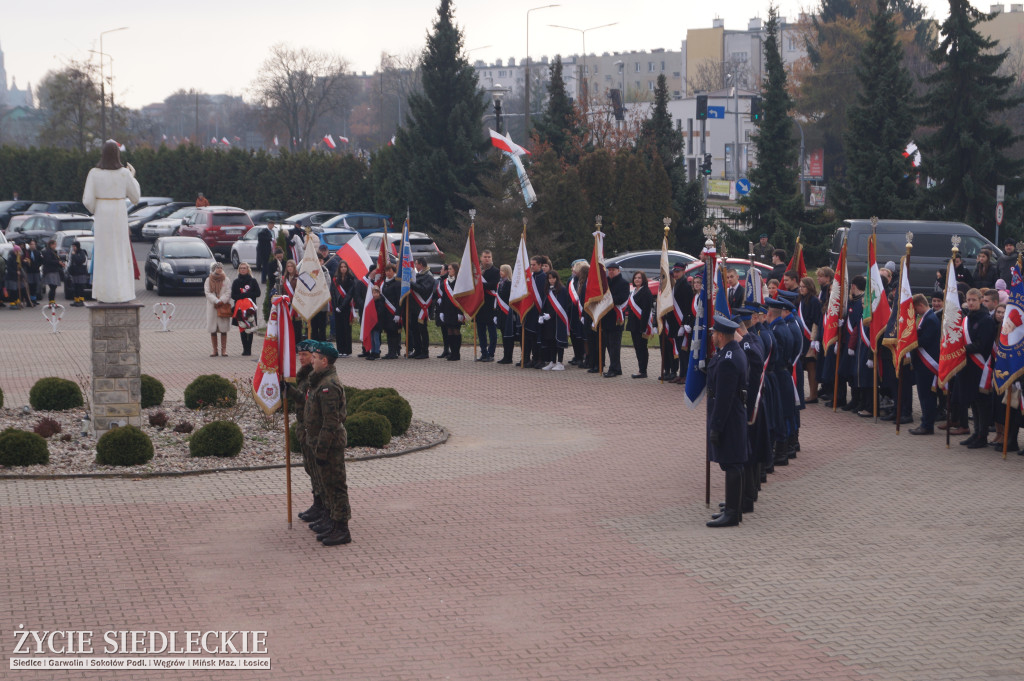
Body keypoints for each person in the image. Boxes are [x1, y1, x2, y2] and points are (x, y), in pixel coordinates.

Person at [302, 341, 351, 546]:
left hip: (329, 444)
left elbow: (330, 423)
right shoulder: (320, 381)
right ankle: (331, 521)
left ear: (325, 361)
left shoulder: (328, 386)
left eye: (315, 358)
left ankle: (341, 529)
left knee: (335, 485)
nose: (311, 361)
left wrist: (321, 451)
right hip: (320, 442)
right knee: (326, 485)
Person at [82, 141, 141, 303]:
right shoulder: (124, 173)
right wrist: (132, 177)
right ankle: (122, 293)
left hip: (102, 214)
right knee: (120, 252)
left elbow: (87, 201)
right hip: (119, 212)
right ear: (117, 155)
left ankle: (104, 293)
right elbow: (136, 197)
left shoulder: (94, 173)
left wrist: (98, 208)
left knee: (103, 253)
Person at [705, 315, 749, 528]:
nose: (712, 336)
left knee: (732, 462)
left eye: (714, 332)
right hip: (733, 416)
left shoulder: (728, 360)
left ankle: (732, 513)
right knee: (734, 462)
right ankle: (734, 506)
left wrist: (716, 426)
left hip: (729, 418)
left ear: (721, 335)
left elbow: (724, 397)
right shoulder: (730, 352)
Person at [288, 340, 323, 524]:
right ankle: (318, 503)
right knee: (310, 467)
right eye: (299, 354)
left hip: (312, 429)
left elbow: (306, 399)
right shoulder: (303, 375)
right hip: (304, 427)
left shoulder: (314, 376)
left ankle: (322, 506)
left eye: (305, 355)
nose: (301, 358)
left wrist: (290, 391)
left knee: (317, 469)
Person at [958, 288, 996, 448]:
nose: (971, 302)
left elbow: (983, 344)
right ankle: (976, 433)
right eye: (969, 300)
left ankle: (982, 436)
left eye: (974, 300)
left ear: (980, 300)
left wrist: (961, 349)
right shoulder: (967, 318)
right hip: (969, 365)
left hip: (981, 365)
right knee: (973, 401)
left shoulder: (986, 319)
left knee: (981, 402)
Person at [601, 262, 630, 377]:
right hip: (606, 318)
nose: (611, 272)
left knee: (614, 346)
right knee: (608, 344)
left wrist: (608, 300)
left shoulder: (623, 283)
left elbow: (622, 298)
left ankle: (614, 368)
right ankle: (616, 367)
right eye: (609, 270)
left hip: (616, 319)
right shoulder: (605, 283)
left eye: (613, 270)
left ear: (618, 271)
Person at [797, 276, 823, 402]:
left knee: (811, 366)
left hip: (810, 337)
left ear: (809, 287)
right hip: (803, 336)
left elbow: (817, 320)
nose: (801, 289)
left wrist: (814, 339)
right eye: (800, 287)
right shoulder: (802, 300)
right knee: (806, 365)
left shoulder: (814, 301)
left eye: (803, 287)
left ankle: (813, 394)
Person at [540, 270, 571, 370]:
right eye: (549, 278)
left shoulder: (561, 290)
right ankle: (552, 361)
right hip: (549, 320)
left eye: (553, 278)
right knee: (551, 340)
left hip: (558, 319)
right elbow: (544, 304)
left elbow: (561, 306)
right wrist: (541, 315)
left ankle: (560, 362)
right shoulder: (547, 290)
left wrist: (551, 315)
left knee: (559, 340)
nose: (551, 280)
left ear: (557, 278)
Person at [627, 271, 654, 378]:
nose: (637, 280)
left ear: (643, 279)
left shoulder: (646, 292)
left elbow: (646, 311)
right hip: (634, 324)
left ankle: (643, 371)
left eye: (639, 278)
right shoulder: (634, 291)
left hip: (641, 325)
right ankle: (640, 369)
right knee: (637, 348)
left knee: (642, 347)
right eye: (635, 278)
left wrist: (643, 327)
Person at [230, 262, 261, 356]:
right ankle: (245, 349)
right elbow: (233, 295)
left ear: (248, 269)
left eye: (244, 268)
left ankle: (249, 349)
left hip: (250, 309)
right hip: (240, 309)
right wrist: (241, 296)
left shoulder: (253, 281)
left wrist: (247, 295)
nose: (243, 270)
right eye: (241, 268)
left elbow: (258, 293)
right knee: (242, 328)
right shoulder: (236, 282)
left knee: (250, 328)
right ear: (239, 270)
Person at [204, 262, 232, 357]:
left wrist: (221, 300)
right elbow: (207, 292)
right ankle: (214, 350)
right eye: (217, 268)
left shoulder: (226, 279)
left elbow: (228, 292)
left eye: (221, 267)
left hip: (223, 306)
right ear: (213, 269)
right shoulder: (208, 280)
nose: (219, 269)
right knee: (213, 329)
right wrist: (215, 301)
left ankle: (224, 350)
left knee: (223, 329)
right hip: (212, 307)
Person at [375, 263, 402, 359]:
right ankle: (390, 351)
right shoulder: (383, 283)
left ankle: (394, 352)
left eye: (390, 271)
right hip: (385, 312)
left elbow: (400, 299)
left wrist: (398, 313)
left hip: (394, 312)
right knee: (388, 332)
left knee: (394, 332)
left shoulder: (397, 283)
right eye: (386, 271)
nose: (388, 273)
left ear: (394, 272)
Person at [409, 258, 434, 359]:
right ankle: (417, 349)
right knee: (414, 329)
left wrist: (411, 283)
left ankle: (425, 351)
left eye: (416, 264)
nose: (415, 266)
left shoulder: (428, 277)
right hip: (414, 307)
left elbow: (423, 290)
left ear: (421, 264)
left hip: (422, 308)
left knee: (422, 330)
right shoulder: (418, 275)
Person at [477, 249, 500, 361]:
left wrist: (481, 285)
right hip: (479, 305)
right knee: (481, 331)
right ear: (481, 258)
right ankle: (483, 352)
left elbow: (494, 285)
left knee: (492, 331)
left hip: (491, 304)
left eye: (489, 257)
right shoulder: (478, 271)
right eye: (485, 257)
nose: (487, 259)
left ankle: (491, 353)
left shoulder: (496, 271)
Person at [330, 260, 357, 357]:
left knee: (346, 329)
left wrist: (342, 307)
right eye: (341, 267)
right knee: (339, 329)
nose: (343, 268)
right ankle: (340, 349)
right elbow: (332, 293)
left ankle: (347, 350)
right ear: (339, 268)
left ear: (347, 268)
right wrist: (335, 306)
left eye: (345, 267)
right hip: (337, 308)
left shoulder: (350, 279)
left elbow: (349, 295)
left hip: (346, 308)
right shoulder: (335, 279)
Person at [439, 262, 465, 360]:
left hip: (456, 310)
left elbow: (461, 299)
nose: (449, 271)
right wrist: (441, 311)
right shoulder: (445, 282)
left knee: (456, 331)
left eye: (450, 269)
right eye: (448, 269)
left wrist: (460, 312)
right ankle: (452, 352)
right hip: (447, 310)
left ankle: (457, 353)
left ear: (455, 270)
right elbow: (443, 297)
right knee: (449, 331)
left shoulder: (459, 282)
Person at [496, 264, 515, 364]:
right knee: (504, 335)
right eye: (500, 270)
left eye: (502, 271)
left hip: (508, 312)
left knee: (508, 336)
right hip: (501, 313)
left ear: (507, 272)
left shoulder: (510, 284)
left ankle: (509, 357)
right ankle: (505, 356)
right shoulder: (500, 283)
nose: (500, 272)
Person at [40, 239, 62, 305]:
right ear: (51, 245)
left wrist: (60, 262)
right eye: (54, 244)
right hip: (50, 271)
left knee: (54, 287)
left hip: (54, 271)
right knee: (52, 287)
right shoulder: (47, 252)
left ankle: (52, 301)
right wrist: (58, 262)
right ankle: (51, 301)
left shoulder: (53, 251)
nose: (55, 246)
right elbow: (49, 261)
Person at [68, 242, 89, 306]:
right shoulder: (74, 253)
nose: (73, 248)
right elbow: (72, 262)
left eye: (74, 246)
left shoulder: (82, 253)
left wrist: (74, 255)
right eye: (73, 247)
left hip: (81, 273)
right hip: (75, 273)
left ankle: (81, 301)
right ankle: (76, 301)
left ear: (78, 246)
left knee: (80, 287)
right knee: (75, 287)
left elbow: (80, 261)